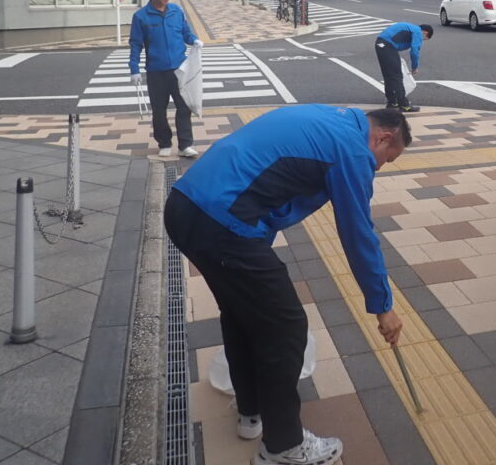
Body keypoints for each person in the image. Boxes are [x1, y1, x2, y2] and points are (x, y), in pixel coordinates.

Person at [164, 105, 409, 465]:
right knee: (287, 328)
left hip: (186, 206)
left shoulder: (329, 119)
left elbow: (276, 182)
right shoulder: (353, 150)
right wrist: (383, 306)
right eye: (387, 159)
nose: (379, 167)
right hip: (221, 221)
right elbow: (358, 233)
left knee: (242, 313)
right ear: (383, 137)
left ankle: (252, 412)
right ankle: (284, 446)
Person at [129, 0, 203, 158]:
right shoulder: (141, 17)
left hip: (179, 69)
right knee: (159, 110)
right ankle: (164, 142)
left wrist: (194, 40)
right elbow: (136, 44)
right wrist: (134, 69)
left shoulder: (176, 11)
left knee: (184, 106)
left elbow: (185, 33)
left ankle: (185, 145)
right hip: (156, 71)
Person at [374, 22, 433, 113]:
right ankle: (404, 105)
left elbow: (398, 43)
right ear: (424, 33)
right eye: (424, 39)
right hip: (387, 46)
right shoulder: (417, 31)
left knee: (389, 76)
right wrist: (414, 67)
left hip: (380, 44)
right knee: (397, 77)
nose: (421, 41)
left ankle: (392, 103)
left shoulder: (410, 28)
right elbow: (414, 51)